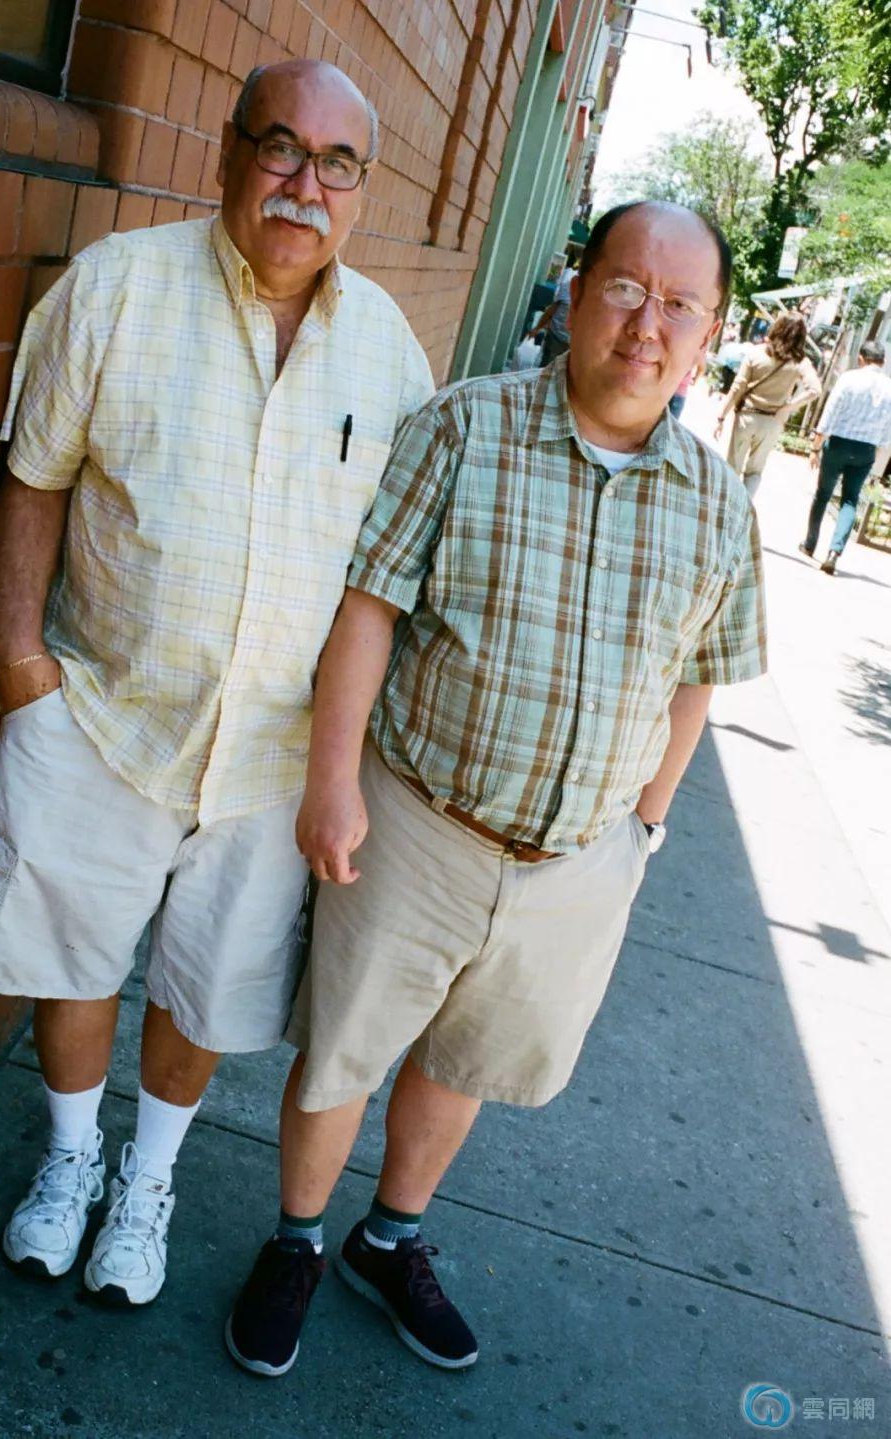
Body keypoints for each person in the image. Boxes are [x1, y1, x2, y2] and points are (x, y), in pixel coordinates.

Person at [224, 200, 767, 1376]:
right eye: (627, 287)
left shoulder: (722, 505)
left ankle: (389, 1235)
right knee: (343, 1050)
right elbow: (369, 606)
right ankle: (296, 1239)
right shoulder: (464, 425)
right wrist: (333, 779)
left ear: (711, 332)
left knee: (465, 1057)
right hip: (416, 821)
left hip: (576, 859)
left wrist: (644, 829)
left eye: (681, 304)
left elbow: (699, 679)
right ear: (576, 292)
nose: (648, 324)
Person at [0, 59, 433, 1307]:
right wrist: (19, 662)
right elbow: (36, 477)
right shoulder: (118, 286)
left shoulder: (389, 350)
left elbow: (391, 572)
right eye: (281, 147)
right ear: (228, 150)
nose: (304, 183)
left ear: (362, 188)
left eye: (336, 163)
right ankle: (69, 1158)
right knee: (72, 958)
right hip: (105, 713)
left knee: (206, 986)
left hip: (273, 757)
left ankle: (146, 1182)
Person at [800, 339, 891, 573]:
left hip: (838, 444)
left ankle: (810, 543)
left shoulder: (849, 378)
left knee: (823, 494)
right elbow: (887, 430)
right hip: (866, 450)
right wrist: (876, 457)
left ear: (861, 358)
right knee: (850, 500)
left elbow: (830, 411)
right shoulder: (889, 387)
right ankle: (834, 552)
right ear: (883, 361)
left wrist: (816, 446)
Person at [714, 313, 821, 496]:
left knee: (733, 466)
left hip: (746, 417)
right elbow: (815, 389)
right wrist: (788, 407)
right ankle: (744, 507)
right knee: (755, 471)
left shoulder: (756, 353)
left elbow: (738, 387)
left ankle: (726, 503)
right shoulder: (800, 362)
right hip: (772, 422)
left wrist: (721, 416)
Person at [531, 255, 579, 363]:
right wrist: (537, 328)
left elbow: (552, 310)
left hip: (572, 344)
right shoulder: (569, 286)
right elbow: (552, 309)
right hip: (556, 338)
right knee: (548, 366)